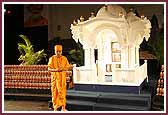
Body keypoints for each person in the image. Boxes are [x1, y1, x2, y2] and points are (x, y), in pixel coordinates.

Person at [48, 45, 72, 111]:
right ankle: (55, 108)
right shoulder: (52, 59)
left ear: (61, 51)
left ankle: (63, 107)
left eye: (60, 51)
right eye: (57, 51)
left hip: (62, 80)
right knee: (55, 93)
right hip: (55, 79)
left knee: (62, 93)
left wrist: (63, 68)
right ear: (54, 51)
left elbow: (67, 67)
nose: (58, 53)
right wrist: (56, 70)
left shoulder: (64, 58)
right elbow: (49, 69)